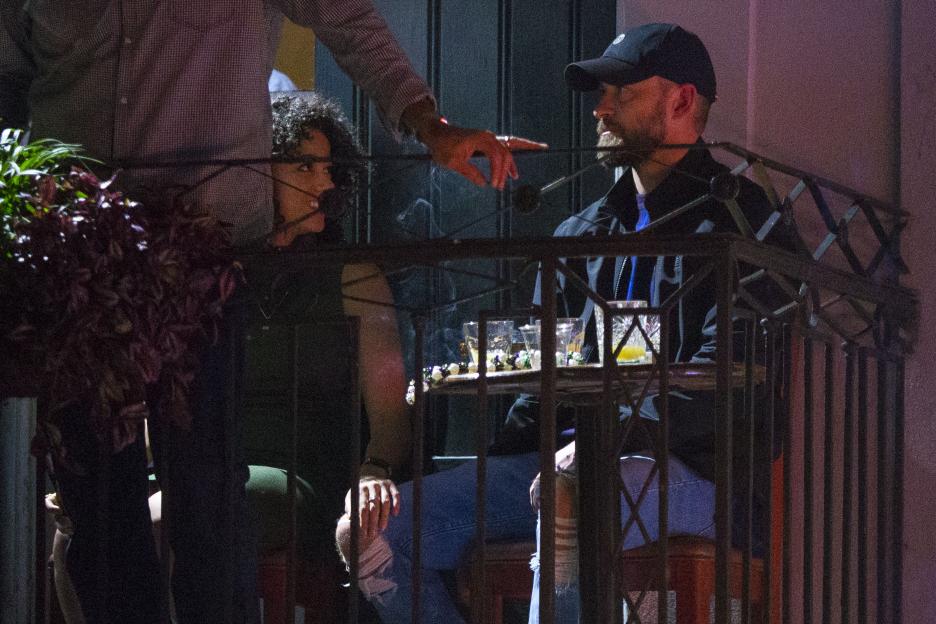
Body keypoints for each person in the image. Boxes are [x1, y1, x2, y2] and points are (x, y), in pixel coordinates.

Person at [0, 3, 542, 623]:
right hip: (77, 261)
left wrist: (430, 125)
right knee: (93, 502)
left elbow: (347, 18)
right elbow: (9, 74)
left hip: (206, 252)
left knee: (205, 501)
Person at [337, 22, 795, 624]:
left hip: (700, 476)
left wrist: (608, 441)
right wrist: (496, 474)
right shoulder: (578, 236)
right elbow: (539, 382)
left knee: (574, 486)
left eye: (622, 92)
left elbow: (729, 382)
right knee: (371, 532)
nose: (600, 108)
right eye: (601, 93)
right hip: (568, 463)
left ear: (681, 101)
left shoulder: (742, 224)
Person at [242, 92, 409, 563]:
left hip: (304, 476)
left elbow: (391, 416)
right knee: (81, 530)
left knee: (169, 516)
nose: (325, 183)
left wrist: (375, 469)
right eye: (304, 168)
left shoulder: (353, 274)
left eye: (331, 170)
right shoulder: (221, 269)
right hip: (210, 467)